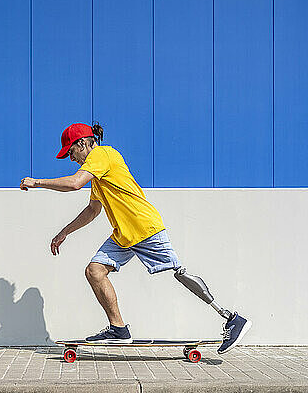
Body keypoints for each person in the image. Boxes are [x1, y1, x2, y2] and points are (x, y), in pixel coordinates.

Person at [19, 122, 251, 354]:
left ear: (82, 144)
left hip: (143, 227)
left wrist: (37, 182)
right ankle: (119, 329)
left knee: (179, 273)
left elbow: (75, 183)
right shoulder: (98, 174)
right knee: (94, 271)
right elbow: (92, 210)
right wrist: (65, 232)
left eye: (71, 153)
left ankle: (232, 318)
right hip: (124, 234)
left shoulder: (101, 154)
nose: (72, 159)